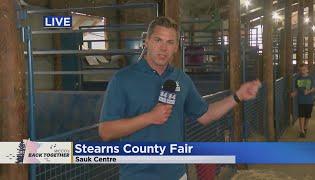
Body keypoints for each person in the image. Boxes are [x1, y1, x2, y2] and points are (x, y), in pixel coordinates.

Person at [99, 16, 261, 180]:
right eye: (158, 40)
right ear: (146, 41)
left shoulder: (182, 79)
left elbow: (206, 115)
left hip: (177, 174)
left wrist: (238, 96)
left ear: (176, 47)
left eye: (170, 42)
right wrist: (150, 117)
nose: (163, 48)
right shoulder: (123, 79)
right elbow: (106, 131)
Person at [291, 63, 315, 138]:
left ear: (307, 70)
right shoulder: (298, 78)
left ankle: (305, 128)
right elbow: (298, 88)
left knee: (307, 116)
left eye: (304, 70)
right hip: (301, 100)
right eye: (301, 70)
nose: (302, 71)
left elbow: (313, 88)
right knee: (301, 115)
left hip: (309, 100)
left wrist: (308, 91)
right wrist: (294, 93)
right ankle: (302, 130)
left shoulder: (311, 78)